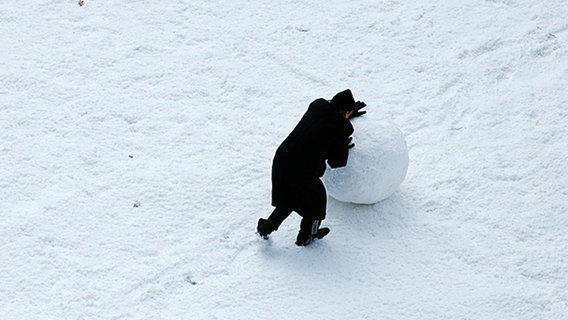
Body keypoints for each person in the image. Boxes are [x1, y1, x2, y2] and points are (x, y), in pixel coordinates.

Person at [257, 89, 366, 246]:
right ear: (346, 111)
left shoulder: (318, 105)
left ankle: (266, 227)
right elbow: (337, 162)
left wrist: (345, 117)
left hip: (282, 159)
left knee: (289, 198)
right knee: (317, 204)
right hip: (302, 171)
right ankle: (308, 235)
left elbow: (327, 119)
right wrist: (343, 146)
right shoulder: (343, 128)